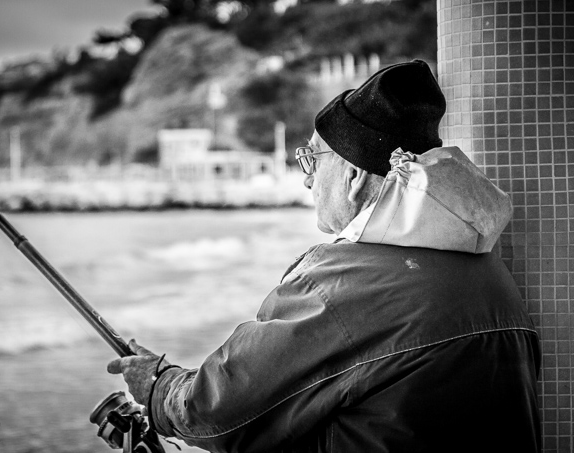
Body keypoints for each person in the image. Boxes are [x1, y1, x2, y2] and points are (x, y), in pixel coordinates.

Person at [107, 60, 541, 452]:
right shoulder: (487, 271)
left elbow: (215, 412)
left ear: (352, 176)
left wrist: (158, 387)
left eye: (311, 160)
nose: (307, 183)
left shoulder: (340, 286)